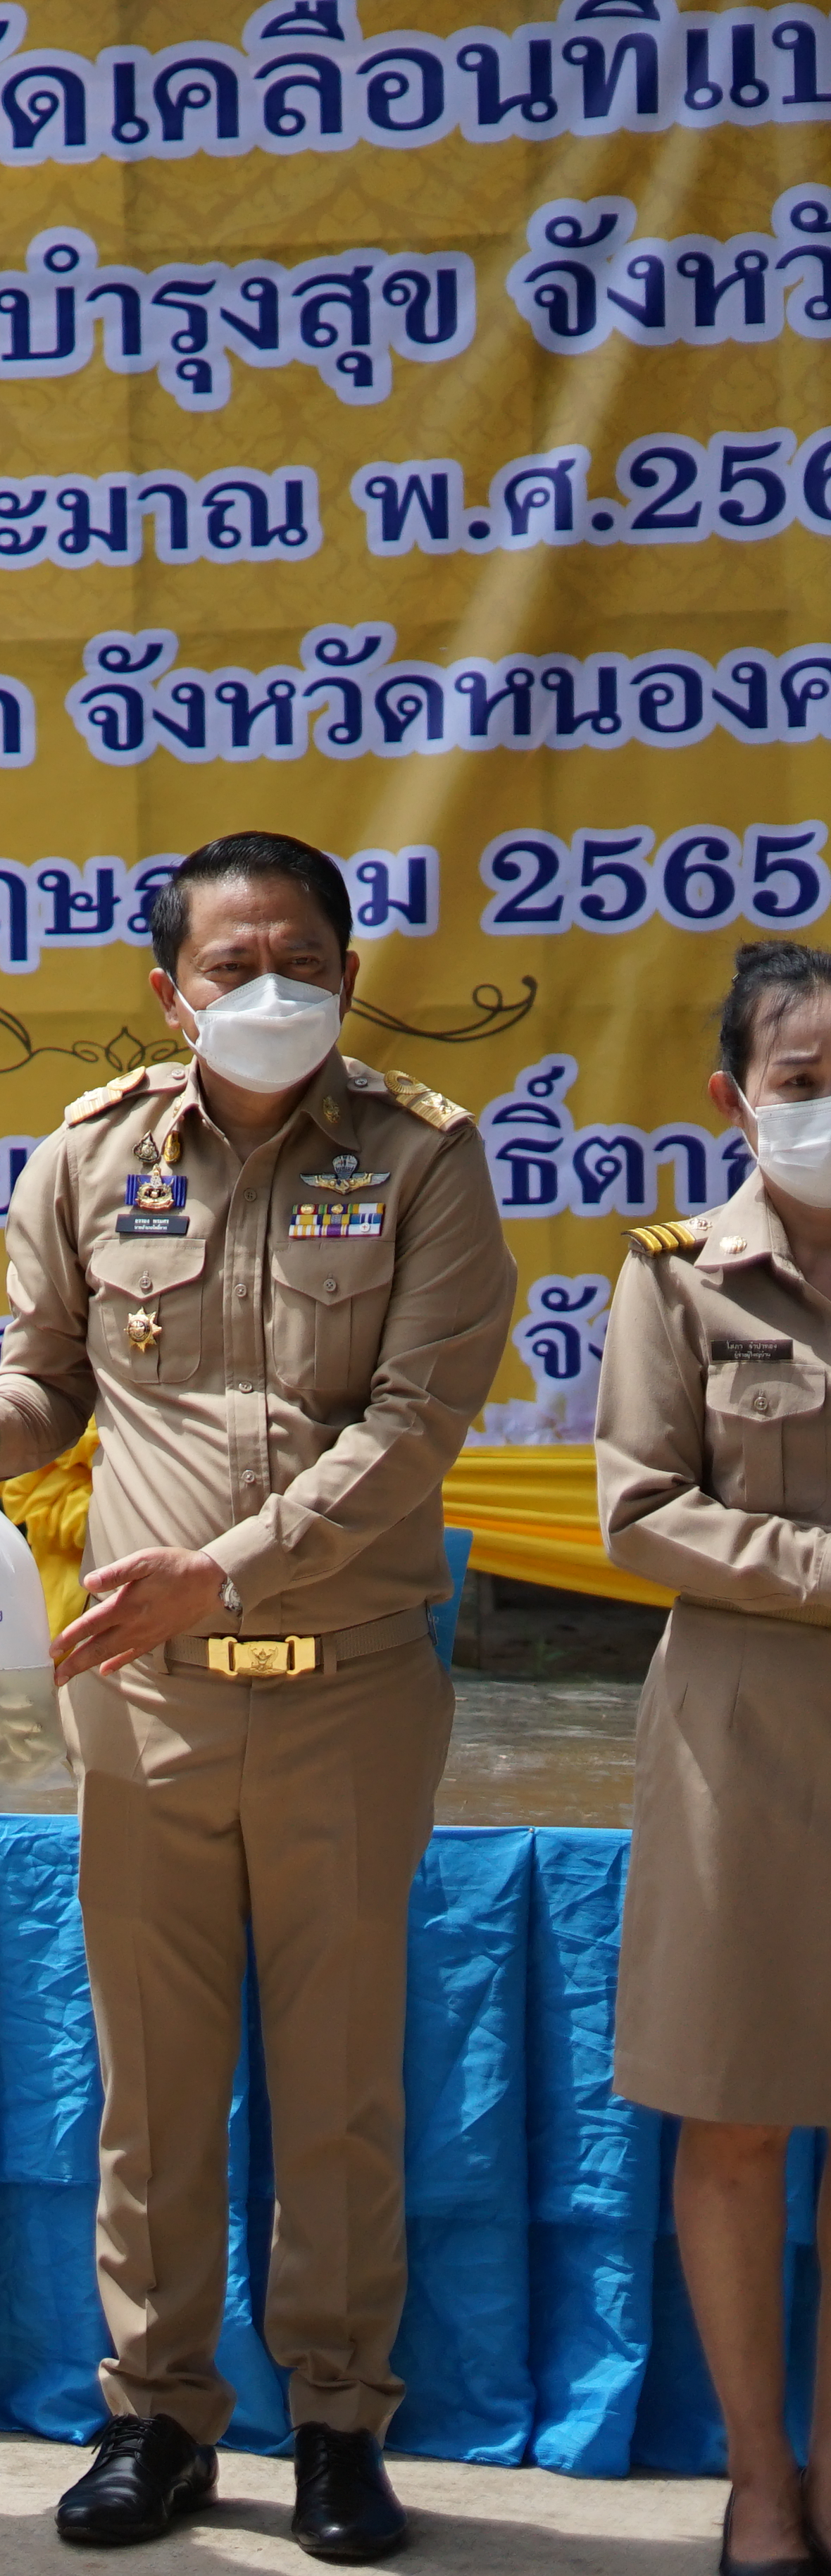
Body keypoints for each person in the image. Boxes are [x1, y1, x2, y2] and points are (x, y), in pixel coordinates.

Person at [0, 832, 513, 2564]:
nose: (268, 986)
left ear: (352, 970)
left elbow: (412, 1426)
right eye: (231, 963)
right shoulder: (86, 1156)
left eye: (300, 952)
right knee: (152, 2081)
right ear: (170, 991)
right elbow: (45, 1384)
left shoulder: (427, 1162)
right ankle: (153, 2409)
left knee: (340, 2079)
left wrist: (224, 1566)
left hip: (352, 1686)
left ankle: (338, 2421)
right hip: (141, 1697)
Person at [598, 941, 831, 2576]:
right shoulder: (681, 1272)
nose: (828, 1106)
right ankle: (761, 2478)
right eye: (807, 1079)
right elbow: (640, 1505)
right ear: (736, 1093)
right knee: (738, 2119)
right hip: (745, 1730)